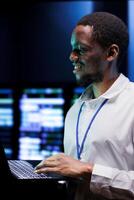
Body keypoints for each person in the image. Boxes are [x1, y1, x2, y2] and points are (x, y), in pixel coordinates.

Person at [34, 11, 134, 200]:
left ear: (111, 53)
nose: (72, 57)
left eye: (81, 49)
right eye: (72, 49)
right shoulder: (75, 110)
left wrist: (88, 171)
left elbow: (83, 171)